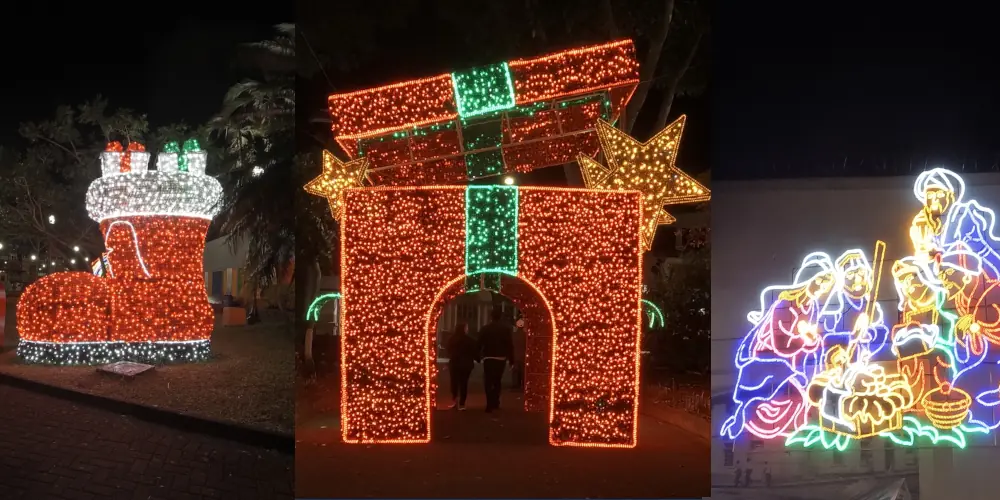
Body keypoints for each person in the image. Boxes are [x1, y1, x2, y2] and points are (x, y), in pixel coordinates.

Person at [478, 308, 514, 412]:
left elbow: (479, 343)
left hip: (488, 357)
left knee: (488, 381)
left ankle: (489, 403)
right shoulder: (505, 329)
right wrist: (511, 359)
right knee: (497, 380)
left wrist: (478, 355)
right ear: (500, 317)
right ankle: (496, 401)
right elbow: (509, 345)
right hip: (500, 358)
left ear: (491, 317)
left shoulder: (485, 329)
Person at [445, 322, 478, 410]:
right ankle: (462, 403)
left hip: (455, 363)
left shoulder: (452, 339)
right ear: (464, 329)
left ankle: (454, 401)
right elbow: (474, 351)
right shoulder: (470, 340)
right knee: (464, 383)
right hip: (466, 364)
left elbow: (448, 350)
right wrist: (477, 358)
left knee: (454, 383)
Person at [511, 318, 526, 391]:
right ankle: (523, 385)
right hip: (523, 355)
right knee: (523, 371)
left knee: (515, 371)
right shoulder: (525, 335)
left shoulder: (514, 335)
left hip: (515, 355)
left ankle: (515, 385)